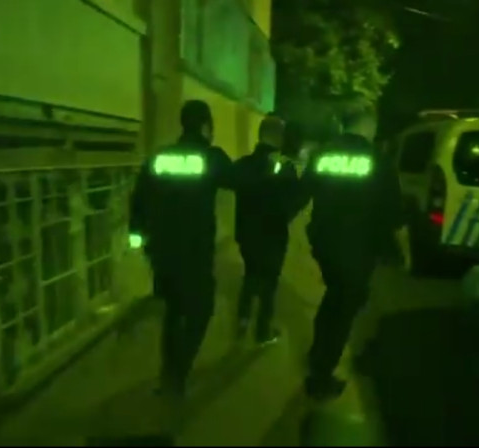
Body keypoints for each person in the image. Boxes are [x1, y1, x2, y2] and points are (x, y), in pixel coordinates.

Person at [290, 105, 403, 400]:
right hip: (358, 247)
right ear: (366, 126)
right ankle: (320, 376)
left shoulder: (324, 155)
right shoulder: (378, 160)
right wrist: (399, 248)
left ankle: (319, 355)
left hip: (325, 244)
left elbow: (300, 194)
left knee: (336, 298)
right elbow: (394, 213)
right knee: (344, 307)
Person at [128, 100, 235, 397]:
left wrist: (137, 237)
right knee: (202, 309)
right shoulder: (210, 156)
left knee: (174, 311)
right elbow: (238, 180)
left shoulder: (160, 157)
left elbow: (139, 198)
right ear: (205, 126)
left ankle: (168, 375)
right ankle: (178, 373)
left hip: (161, 250)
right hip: (195, 251)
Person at [233, 116, 299, 345]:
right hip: (273, 235)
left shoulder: (243, 164)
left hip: (245, 233)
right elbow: (293, 202)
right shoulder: (286, 166)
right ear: (279, 137)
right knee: (269, 283)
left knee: (250, 273)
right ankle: (262, 331)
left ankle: (243, 319)